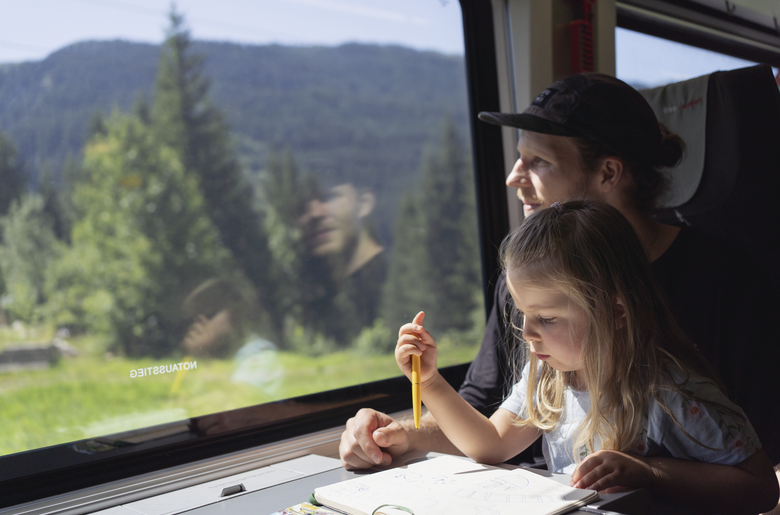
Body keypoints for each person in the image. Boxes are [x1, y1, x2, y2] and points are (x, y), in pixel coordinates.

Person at [339, 73, 780, 473]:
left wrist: (656, 479)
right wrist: (398, 436)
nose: (514, 178)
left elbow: (757, 461)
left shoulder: (732, 285)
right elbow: (485, 416)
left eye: (538, 162)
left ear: (608, 172)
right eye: (519, 158)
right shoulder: (530, 284)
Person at [395, 200, 778, 514]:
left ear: (615, 313)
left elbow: (759, 489)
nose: (527, 333)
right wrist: (428, 381)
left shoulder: (670, 393)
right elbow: (490, 444)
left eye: (546, 318)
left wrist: (651, 473)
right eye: (524, 315)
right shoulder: (550, 377)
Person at [297, 176, 387, 345]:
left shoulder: (402, 277)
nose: (315, 213)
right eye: (302, 207)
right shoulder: (313, 294)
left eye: (329, 197)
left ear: (364, 203)